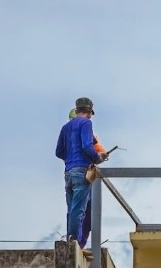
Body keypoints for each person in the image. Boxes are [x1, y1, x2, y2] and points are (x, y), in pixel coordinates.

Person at [56, 97, 107, 249]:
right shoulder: (86, 123)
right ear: (89, 111)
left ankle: (70, 239)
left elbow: (59, 152)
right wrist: (97, 158)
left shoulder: (65, 127)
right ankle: (74, 243)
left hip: (68, 172)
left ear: (77, 110)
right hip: (81, 171)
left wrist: (70, 160)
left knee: (71, 208)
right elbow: (86, 146)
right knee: (79, 209)